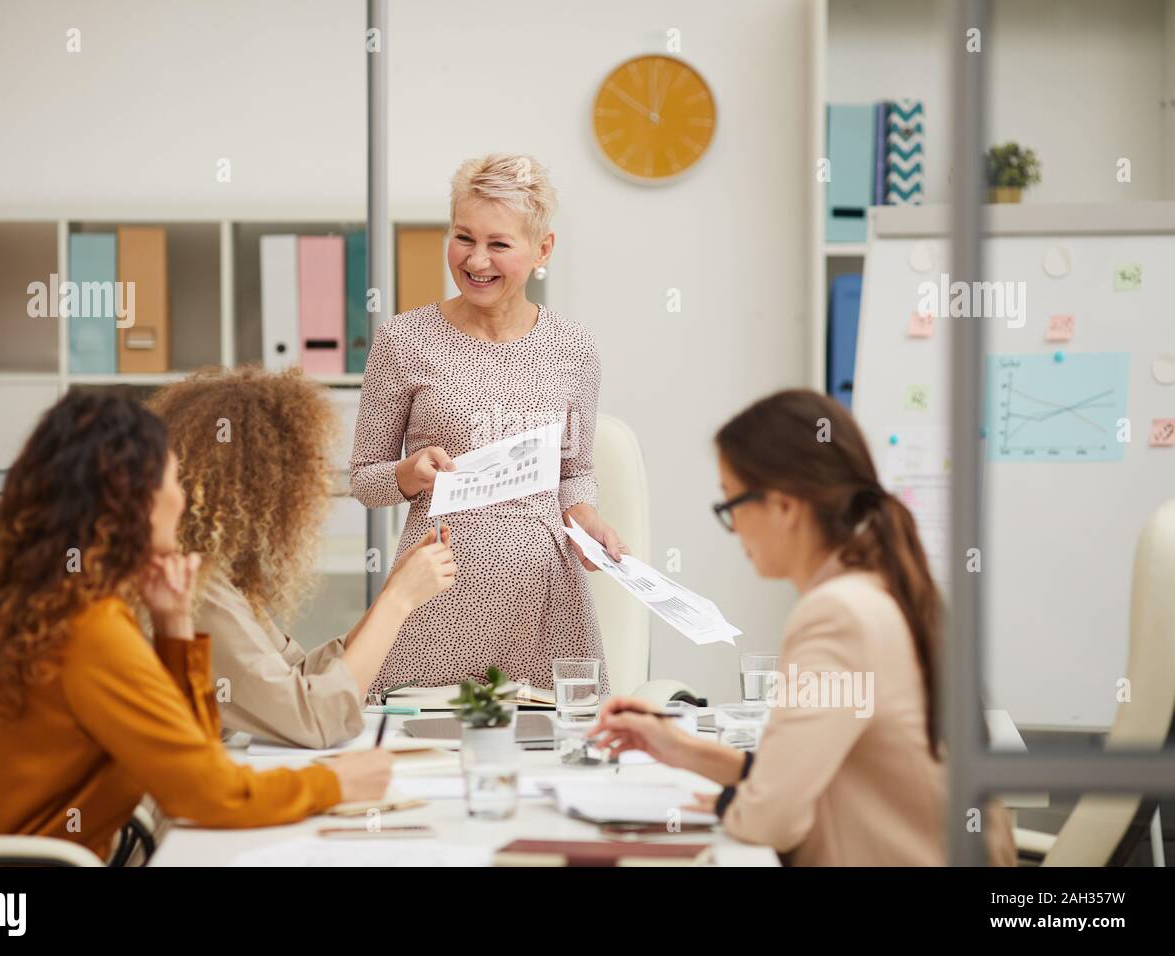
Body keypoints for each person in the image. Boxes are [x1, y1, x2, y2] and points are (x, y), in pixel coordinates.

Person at [0, 390, 391, 860]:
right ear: (135, 499)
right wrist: (334, 783)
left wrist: (174, 625)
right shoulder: (93, 632)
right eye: (173, 480)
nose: (184, 499)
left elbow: (194, 748)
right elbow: (207, 794)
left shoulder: (66, 603)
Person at [589, 389, 1016, 866]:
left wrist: (735, 805)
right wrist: (683, 750)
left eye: (731, 503)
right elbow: (800, 777)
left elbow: (773, 818)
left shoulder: (838, 617)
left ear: (784, 507)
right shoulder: (886, 586)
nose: (732, 527)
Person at [351, 153, 625, 695]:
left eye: (499, 244)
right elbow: (363, 479)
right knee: (425, 759)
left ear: (542, 249)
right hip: (437, 598)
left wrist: (589, 524)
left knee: (560, 759)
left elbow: (573, 473)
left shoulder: (573, 348)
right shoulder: (404, 341)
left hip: (546, 607)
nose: (476, 260)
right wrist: (409, 471)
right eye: (463, 238)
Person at [148, 366, 456, 748]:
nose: (311, 491)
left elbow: (296, 674)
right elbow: (314, 720)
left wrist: (394, 590)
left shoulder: (213, 574)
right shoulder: (195, 589)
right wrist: (398, 602)